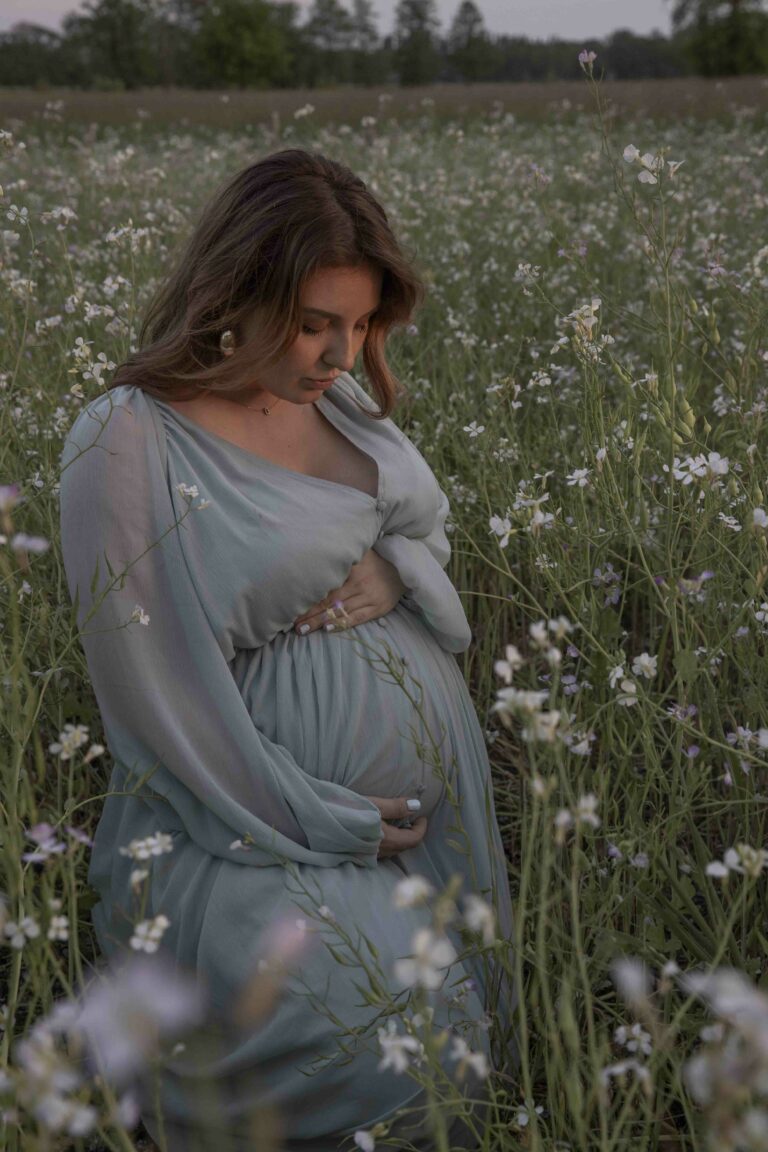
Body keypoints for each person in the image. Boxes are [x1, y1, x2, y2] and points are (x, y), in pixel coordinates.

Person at [59, 148, 517, 1152]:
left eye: (359, 325)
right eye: (314, 322)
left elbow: (414, 531)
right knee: (373, 1043)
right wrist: (325, 817)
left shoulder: (337, 404)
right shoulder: (126, 441)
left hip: (417, 823)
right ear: (234, 288)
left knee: (452, 1060)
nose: (341, 355)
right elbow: (155, 707)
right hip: (246, 827)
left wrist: (397, 572)